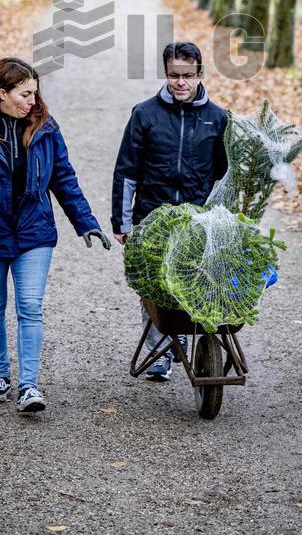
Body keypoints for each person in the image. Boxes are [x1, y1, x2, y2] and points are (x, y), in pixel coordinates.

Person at [0, 57, 110, 413]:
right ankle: (0, 375)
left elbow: (64, 178)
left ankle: (29, 385)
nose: (33, 101)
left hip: (34, 231)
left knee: (30, 306)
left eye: (35, 93)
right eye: (25, 94)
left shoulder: (45, 128)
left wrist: (86, 221)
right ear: (2, 93)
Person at [111, 41, 228, 379]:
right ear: (166, 74)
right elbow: (126, 171)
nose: (180, 82)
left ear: (200, 74)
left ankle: (191, 338)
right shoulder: (145, 114)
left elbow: (224, 176)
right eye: (174, 75)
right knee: (153, 286)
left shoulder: (217, 119)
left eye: (187, 76)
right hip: (152, 216)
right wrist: (122, 221)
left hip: (197, 220)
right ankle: (160, 350)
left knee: (196, 282)